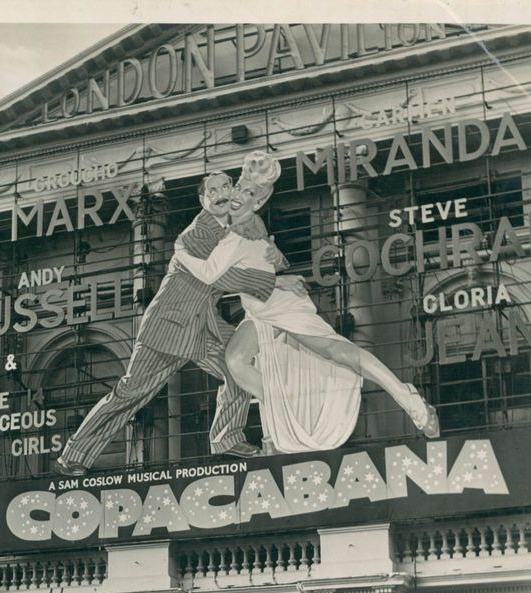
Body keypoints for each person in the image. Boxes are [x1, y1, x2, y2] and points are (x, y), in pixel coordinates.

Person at [172, 151, 440, 455]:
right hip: (258, 308)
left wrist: (180, 254)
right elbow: (256, 265)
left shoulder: (239, 231)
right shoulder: (240, 225)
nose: (237, 196)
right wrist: (274, 264)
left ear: (257, 202)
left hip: (280, 304)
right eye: (239, 188)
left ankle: (408, 398)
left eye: (249, 193)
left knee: (334, 350)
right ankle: (277, 424)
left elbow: (211, 273)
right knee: (236, 360)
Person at [57, 169, 301, 477]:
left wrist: (276, 262)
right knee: (132, 391)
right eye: (213, 191)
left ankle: (228, 438)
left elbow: (264, 258)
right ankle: (74, 454)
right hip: (168, 326)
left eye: (227, 185)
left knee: (240, 364)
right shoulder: (195, 234)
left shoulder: (238, 228)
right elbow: (223, 276)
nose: (222, 193)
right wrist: (275, 281)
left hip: (203, 325)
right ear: (203, 200)